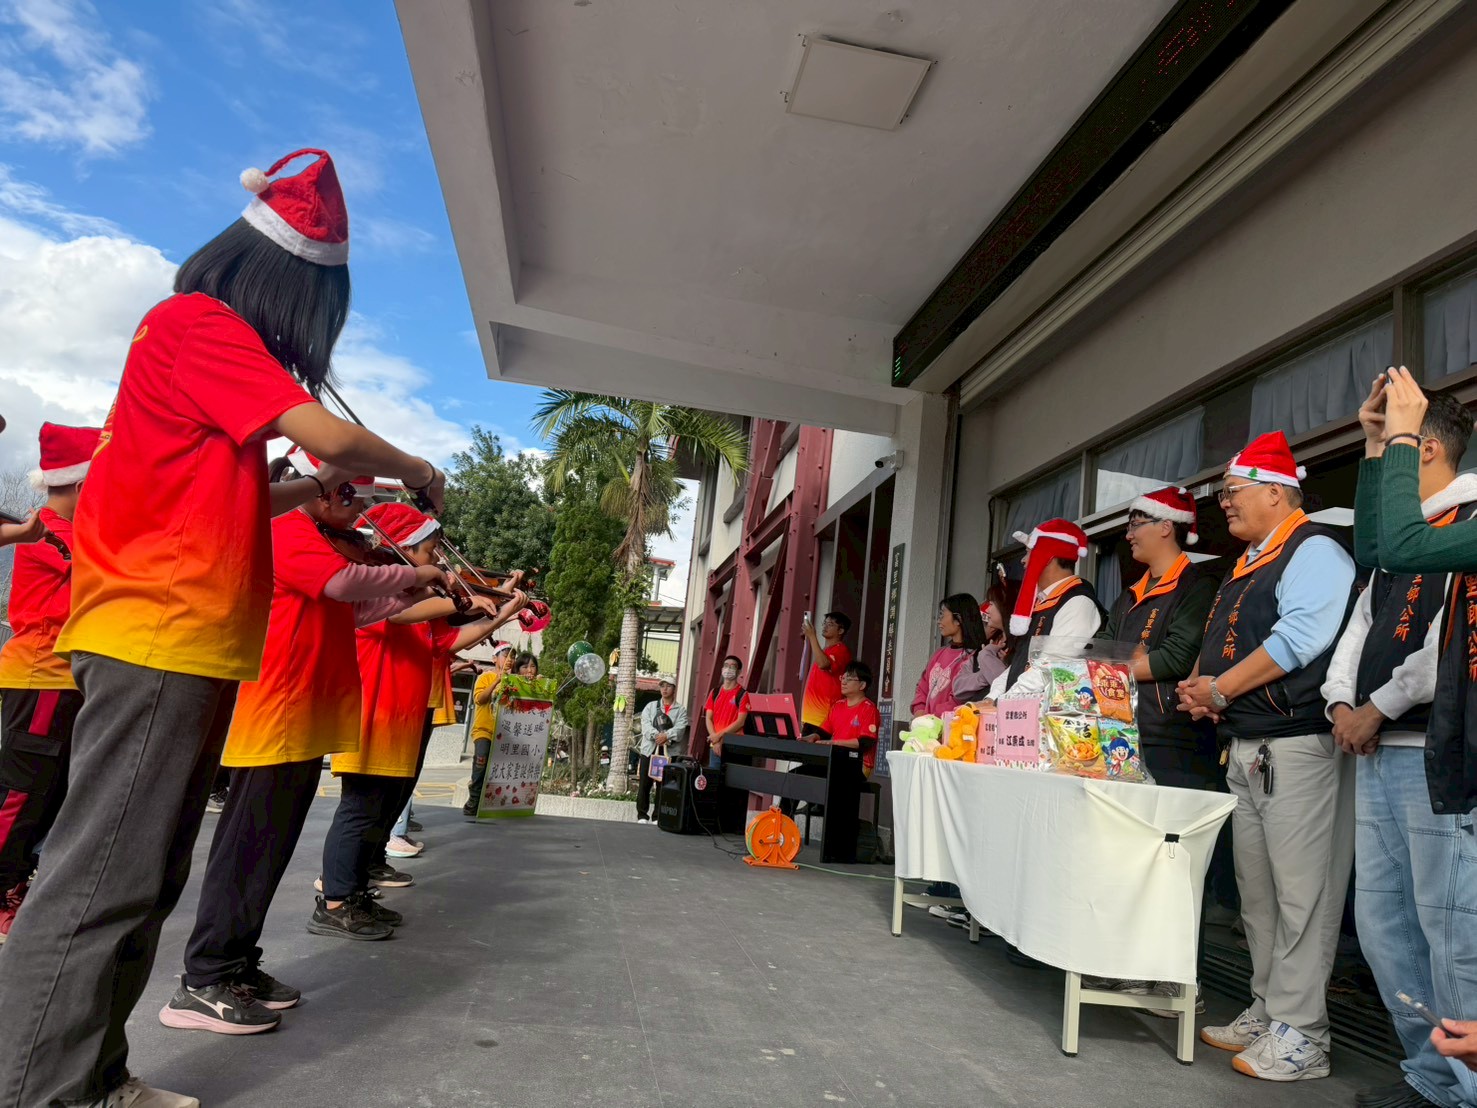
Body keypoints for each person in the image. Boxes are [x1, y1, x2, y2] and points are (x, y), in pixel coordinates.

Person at [0, 149, 458, 1108]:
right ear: (288, 284)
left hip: (186, 641)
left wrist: (311, 489)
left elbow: (235, 492)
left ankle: (94, 1076)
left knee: (144, 875)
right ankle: (43, 1089)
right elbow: (330, 432)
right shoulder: (198, 324)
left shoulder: (192, 343)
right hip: (158, 635)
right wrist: (416, 469)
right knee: (101, 879)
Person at [158, 453, 450, 1034]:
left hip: (302, 714)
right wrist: (412, 576)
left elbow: (357, 608)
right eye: (347, 493)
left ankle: (236, 963)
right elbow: (340, 582)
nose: (356, 507)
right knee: (247, 851)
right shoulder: (284, 526)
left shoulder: (321, 539)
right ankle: (205, 978)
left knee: (268, 851)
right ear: (312, 487)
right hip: (277, 711)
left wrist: (404, 592)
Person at [1177, 430, 1356, 1082]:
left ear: (1276, 492)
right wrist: (1202, 689)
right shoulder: (1250, 560)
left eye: (1233, 491)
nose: (1223, 503)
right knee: (1258, 894)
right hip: (1247, 744)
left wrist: (1220, 688)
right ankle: (1268, 1008)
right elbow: (1226, 643)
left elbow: (1301, 636)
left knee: (1303, 895)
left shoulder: (1313, 549)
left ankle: (1303, 1033)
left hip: (1297, 745)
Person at [1341, 372, 1477, 1108]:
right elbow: (1377, 550)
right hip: (1386, 755)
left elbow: (1396, 542)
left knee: (1453, 933)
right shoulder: (1420, 532)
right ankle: (1432, 1077)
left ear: (1426, 449)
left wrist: (1396, 434)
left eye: (1404, 445)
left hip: (1443, 755)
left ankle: (1463, 1087)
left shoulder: (1467, 518)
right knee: (1385, 924)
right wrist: (1376, 446)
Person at [315, 503, 523, 938]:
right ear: (404, 550)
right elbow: (394, 613)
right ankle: (334, 901)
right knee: (359, 809)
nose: (438, 561)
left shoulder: (421, 600)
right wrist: (454, 596)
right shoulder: (380, 588)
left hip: (402, 719)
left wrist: (500, 615)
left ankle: (354, 892)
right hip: (375, 712)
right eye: (430, 551)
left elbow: (448, 640)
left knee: (381, 809)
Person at [1094, 485, 1227, 1010]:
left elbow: (1176, 655)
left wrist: (1126, 663)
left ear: (1166, 525)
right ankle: (1133, 966)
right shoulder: (1130, 594)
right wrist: (1132, 661)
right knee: (1131, 860)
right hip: (1124, 738)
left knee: (1176, 863)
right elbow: (1101, 651)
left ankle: (1179, 978)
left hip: (1177, 741)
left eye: (1136, 524)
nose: (1128, 535)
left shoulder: (1197, 584)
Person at [0, 423, 100, 942]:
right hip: (41, 673)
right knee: (24, 789)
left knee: (54, 789)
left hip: (67, 679)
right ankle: (3, 888)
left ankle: (22, 880)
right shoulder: (46, 533)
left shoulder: (78, 534)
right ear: (84, 484)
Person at [988, 519, 1103, 700]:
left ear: (1047, 556)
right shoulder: (1044, 602)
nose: (1023, 561)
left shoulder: (1077, 602)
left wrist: (1003, 702)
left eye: (1028, 552)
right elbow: (1020, 663)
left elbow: (1052, 666)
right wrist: (993, 697)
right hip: (1021, 707)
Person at [912, 594, 997, 718]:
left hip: (951, 724)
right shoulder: (939, 653)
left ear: (958, 619)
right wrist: (919, 711)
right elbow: (922, 686)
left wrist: (932, 718)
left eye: (942, 615)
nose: (939, 621)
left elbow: (960, 699)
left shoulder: (975, 657)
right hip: (926, 724)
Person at [462, 642, 515, 817]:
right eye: (506, 655)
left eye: (513, 657)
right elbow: (479, 699)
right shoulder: (485, 677)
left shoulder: (513, 681)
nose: (510, 660)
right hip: (484, 730)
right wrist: (496, 681)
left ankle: (490, 803)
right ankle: (473, 800)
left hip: (504, 734)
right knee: (481, 762)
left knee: (497, 769)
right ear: (494, 659)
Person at [636, 678, 688, 823]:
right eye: (662, 686)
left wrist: (666, 736)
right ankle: (642, 815)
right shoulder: (650, 706)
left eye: (668, 686)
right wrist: (657, 736)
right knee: (644, 783)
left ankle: (658, 817)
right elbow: (645, 725)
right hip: (650, 750)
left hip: (669, 752)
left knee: (664, 784)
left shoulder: (681, 710)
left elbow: (680, 728)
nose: (665, 689)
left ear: (674, 688)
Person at [800, 611, 852, 736]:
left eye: (830, 624)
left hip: (823, 719)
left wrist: (812, 636)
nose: (825, 626)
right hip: (811, 718)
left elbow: (823, 664)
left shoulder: (841, 650)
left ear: (841, 631)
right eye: (824, 623)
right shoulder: (825, 651)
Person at [699, 655, 750, 768]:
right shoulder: (715, 692)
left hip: (733, 744)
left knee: (732, 777)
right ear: (722, 669)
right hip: (715, 745)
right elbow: (708, 718)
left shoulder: (742, 694)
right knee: (714, 776)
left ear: (739, 671)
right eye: (726, 666)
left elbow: (740, 722)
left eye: (732, 666)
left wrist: (718, 737)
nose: (728, 669)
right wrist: (715, 739)